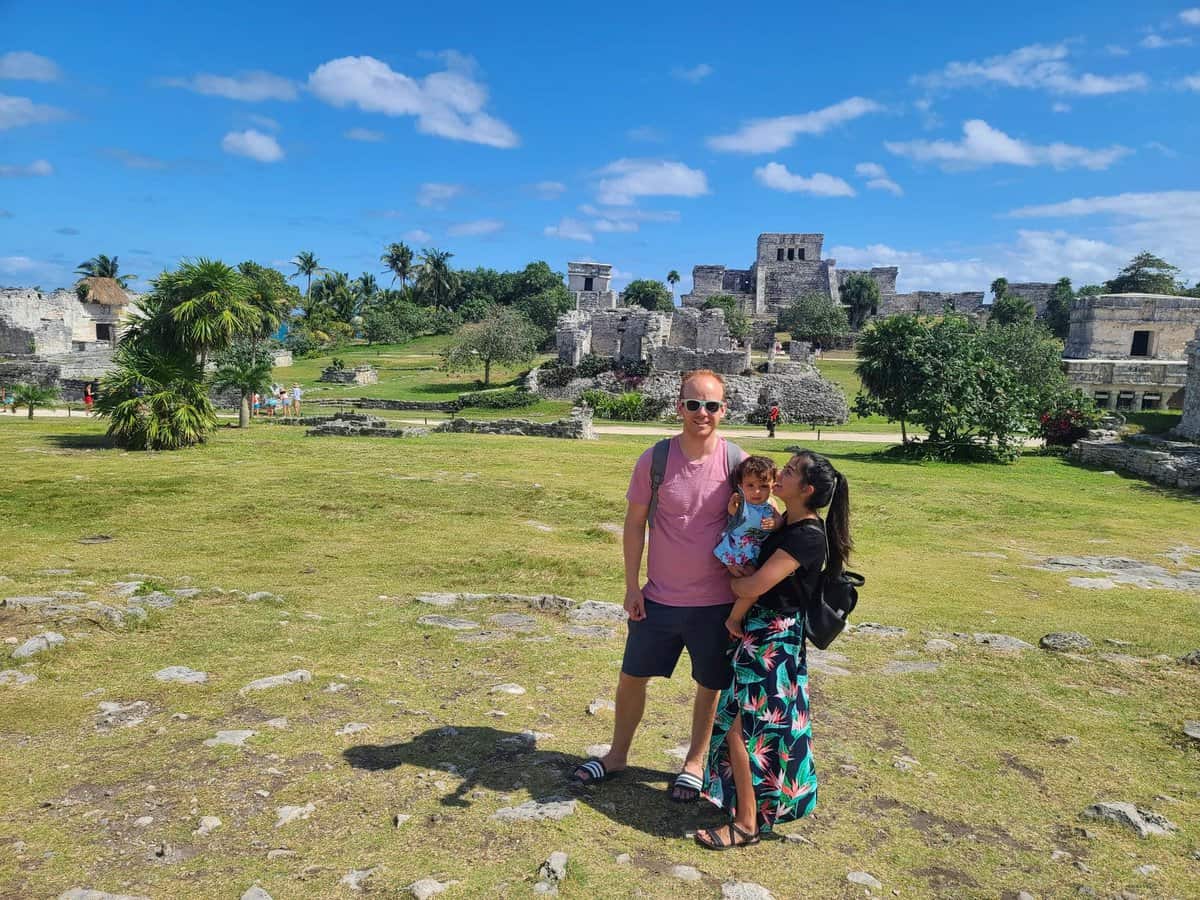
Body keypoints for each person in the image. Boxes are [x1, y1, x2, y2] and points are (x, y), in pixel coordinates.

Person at [569, 369, 745, 803]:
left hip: (717, 601)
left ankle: (694, 762)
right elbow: (634, 524)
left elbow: (758, 520)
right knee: (632, 678)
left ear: (724, 410)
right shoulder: (656, 459)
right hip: (660, 596)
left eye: (711, 406)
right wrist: (632, 586)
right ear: (678, 406)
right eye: (692, 404)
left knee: (710, 684)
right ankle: (617, 755)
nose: (701, 413)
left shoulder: (736, 463)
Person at [695, 449, 853, 850]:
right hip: (763, 638)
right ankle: (749, 809)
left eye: (791, 471)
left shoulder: (805, 537)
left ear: (807, 489)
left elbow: (753, 587)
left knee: (742, 729)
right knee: (749, 726)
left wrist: (735, 584)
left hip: (772, 643)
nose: (780, 473)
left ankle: (747, 824)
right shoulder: (787, 523)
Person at [713, 456, 779, 569]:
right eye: (750, 485)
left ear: (772, 486)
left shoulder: (771, 503)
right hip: (739, 549)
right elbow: (733, 511)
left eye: (764, 486)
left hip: (762, 548)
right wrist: (734, 505)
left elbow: (779, 519)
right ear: (740, 485)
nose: (757, 492)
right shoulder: (741, 502)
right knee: (743, 575)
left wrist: (775, 523)